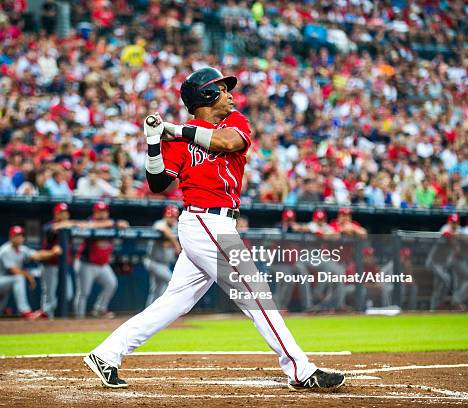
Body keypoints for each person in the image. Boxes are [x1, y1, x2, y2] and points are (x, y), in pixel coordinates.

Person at [84, 67, 344, 390]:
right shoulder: (180, 139)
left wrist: (175, 130)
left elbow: (227, 142)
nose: (230, 95)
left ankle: (107, 353)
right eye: (221, 89)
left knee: (174, 302)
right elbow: (158, 182)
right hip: (204, 220)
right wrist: (154, 143)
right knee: (255, 293)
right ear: (206, 96)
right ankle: (299, 369)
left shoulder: (234, 123)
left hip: (215, 222)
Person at [73, 201, 129, 318]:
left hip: (102, 265)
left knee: (111, 283)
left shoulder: (111, 224)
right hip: (86, 263)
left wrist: (117, 223)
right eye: (99, 211)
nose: (102, 214)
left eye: (104, 211)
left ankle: (99, 309)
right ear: (95, 212)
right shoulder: (90, 222)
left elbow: (124, 224)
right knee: (84, 292)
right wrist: (113, 223)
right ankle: (79, 318)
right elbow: (88, 225)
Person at [0, 225, 58, 319]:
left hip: (9, 281)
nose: (19, 238)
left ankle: (1, 313)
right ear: (11, 237)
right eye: (16, 236)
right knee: (18, 278)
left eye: (21, 236)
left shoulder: (22, 249)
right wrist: (28, 276)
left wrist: (53, 253)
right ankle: (24, 311)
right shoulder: (5, 250)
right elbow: (13, 270)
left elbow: (37, 255)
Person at [144, 205, 180, 307]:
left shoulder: (176, 225)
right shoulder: (160, 223)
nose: (171, 218)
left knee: (157, 289)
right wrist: (175, 243)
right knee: (171, 281)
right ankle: (167, 309)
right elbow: (163, 229)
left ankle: (149, 311)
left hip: (164, 264)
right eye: (169, 216)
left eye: (173, 216)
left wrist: (172, 242)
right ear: (165, 215)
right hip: (153, 261)